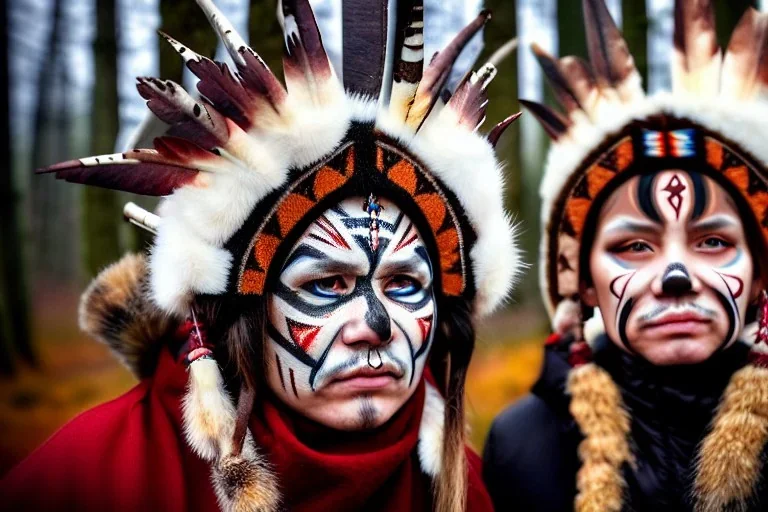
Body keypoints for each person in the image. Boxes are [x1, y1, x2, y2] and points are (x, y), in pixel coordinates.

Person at [1, 1, 522, 511]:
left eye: (405, 284)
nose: (376, 326)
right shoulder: (88, 476)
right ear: (242, 309)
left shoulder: (463, 487)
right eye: (327, 284)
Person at [483, 0, 768, 511]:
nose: (676, 276)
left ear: (759, 275)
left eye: (712, 242)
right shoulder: (521, 449)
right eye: (634, 246)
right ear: (583, 283)